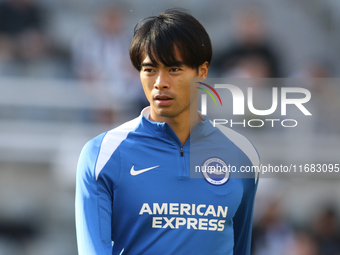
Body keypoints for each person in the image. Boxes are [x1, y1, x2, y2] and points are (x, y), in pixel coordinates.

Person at [76, 9, 259, 255]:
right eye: (150, 69)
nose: (160, 82)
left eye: (174, 69)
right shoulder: (102, 154)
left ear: (202, 71)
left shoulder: (242, 155)